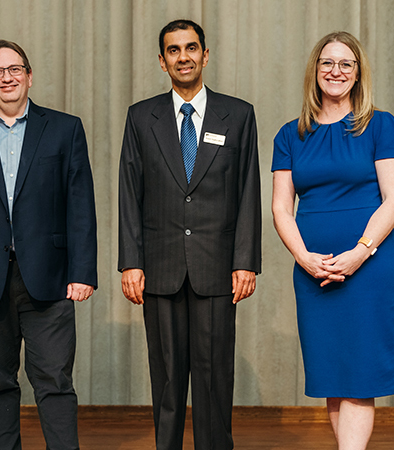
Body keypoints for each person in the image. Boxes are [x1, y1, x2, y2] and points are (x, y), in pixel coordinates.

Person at [0, 39, 97, 450]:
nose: (6, 77)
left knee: (55, 381)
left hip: (50, 278)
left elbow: (80, 206)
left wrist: (82, 272)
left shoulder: (65, 128)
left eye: (14, 69)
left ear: (29, 76)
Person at [118, 19, 261, 450]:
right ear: (162, 61)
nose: (184, 57)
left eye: (191, 47)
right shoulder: (142, 117)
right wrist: (131, 261)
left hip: (218, 268)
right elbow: (129, 192)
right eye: (174, 50)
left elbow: (248, 191)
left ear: (206, 54)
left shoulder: (238, 114)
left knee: (215, 377)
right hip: (158, 268)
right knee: (166, 379)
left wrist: (245, 261)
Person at [270, 31, 394, 450]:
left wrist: (359, 253)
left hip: (370, 269)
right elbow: (280, 209)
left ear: (358, 73)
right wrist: (304, 258)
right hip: (314, 270)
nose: (336, 71)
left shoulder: (380, 125)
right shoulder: (290, 135)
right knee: (333, 373)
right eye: (327, 63)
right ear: (315, 71)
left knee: (360, 375)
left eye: (346, 64)